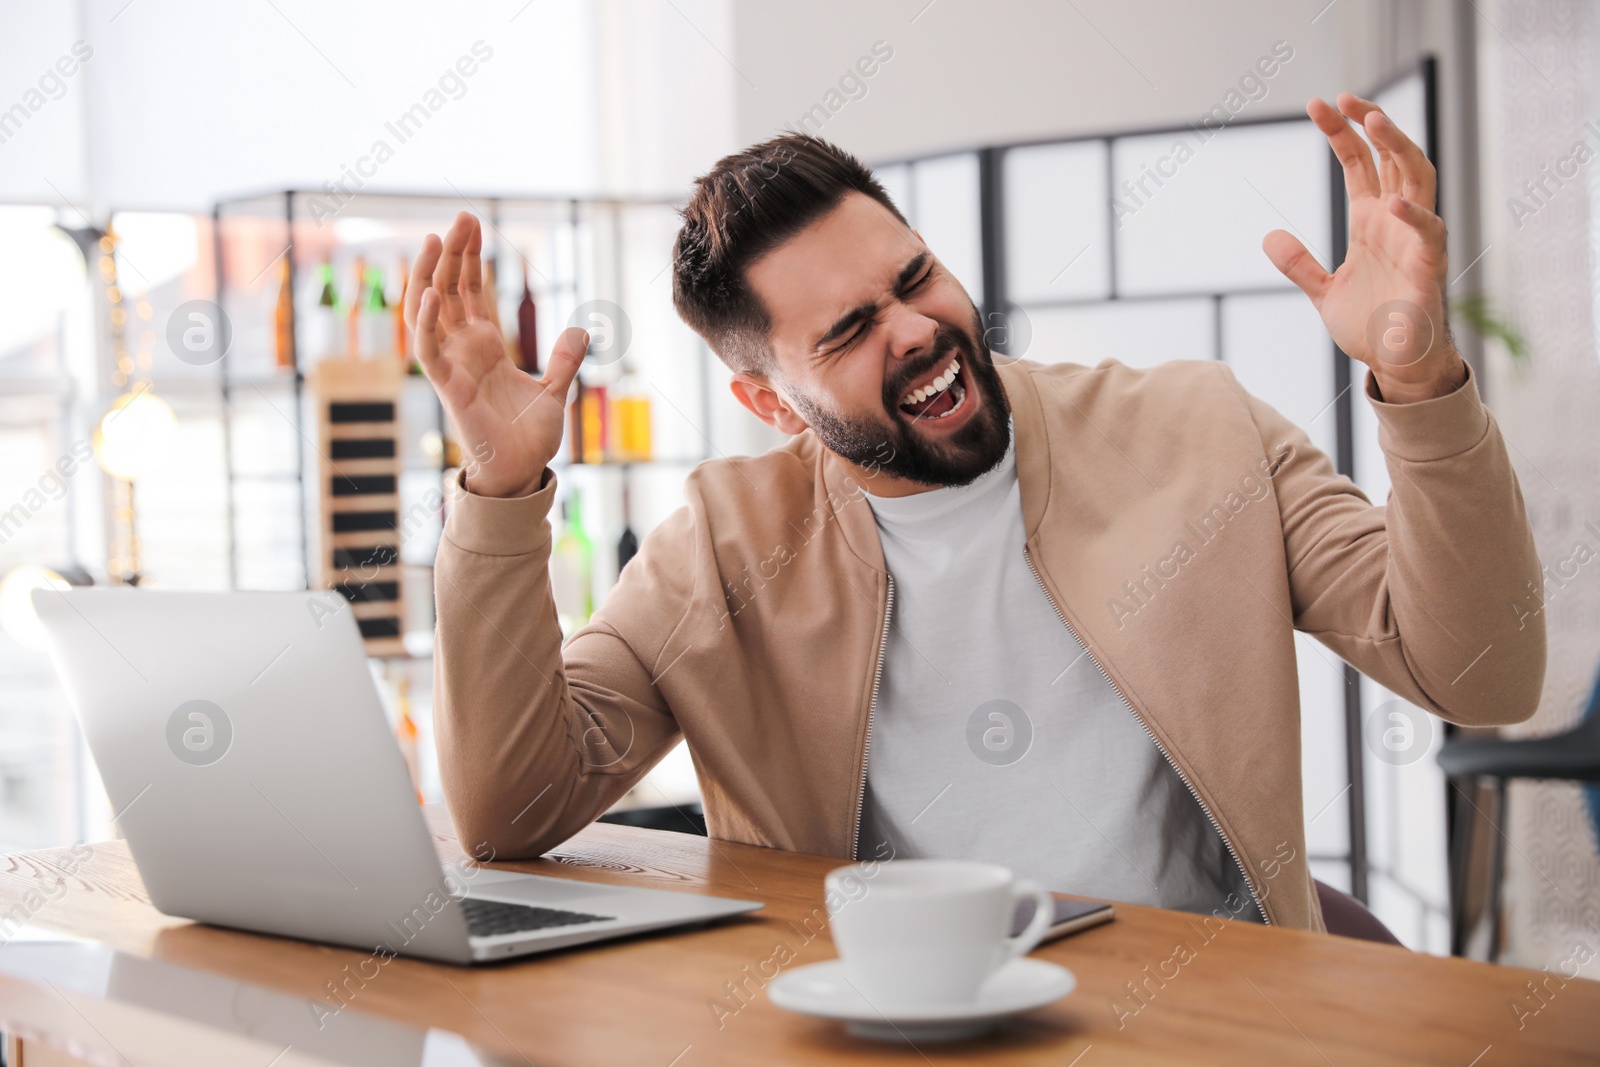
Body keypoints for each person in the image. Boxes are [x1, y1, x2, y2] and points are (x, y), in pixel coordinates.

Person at [404, 94, 1544, 932]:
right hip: (886, 1023)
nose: (914, 330)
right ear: (769, 401)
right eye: (847, 333)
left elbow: (1482, 674)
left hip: (1205, 1010)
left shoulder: (1200, 430)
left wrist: (1421, 380)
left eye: (914, 279)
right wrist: (500, 492)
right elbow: (513, 809)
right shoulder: (719, 542)